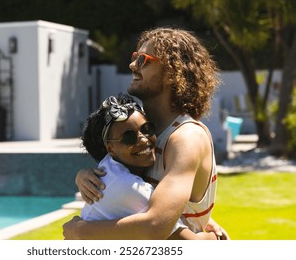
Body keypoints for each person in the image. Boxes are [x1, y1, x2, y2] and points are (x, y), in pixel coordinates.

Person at [63, 27, 229, 239]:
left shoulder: (186, 138)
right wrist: (84, 176)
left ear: (172, 72)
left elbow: (156, 224)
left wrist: (80, 231)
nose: (132, 65)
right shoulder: (147, 131)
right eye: (135, 57)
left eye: (143, 60)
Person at [79, 93, 217, 240]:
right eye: (129, 137)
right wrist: (214, 237)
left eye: (147, 129)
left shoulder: (111, 168)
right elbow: (189, 243)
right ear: (110, 148)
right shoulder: (129, 187)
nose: (144, 139)